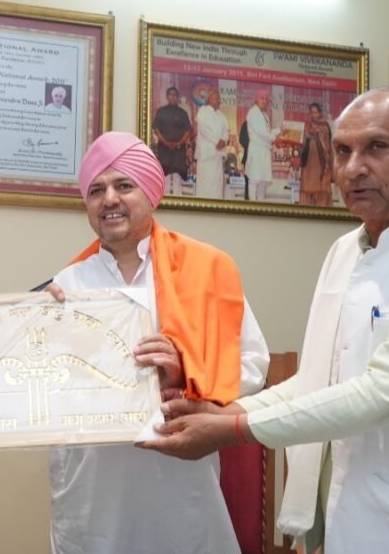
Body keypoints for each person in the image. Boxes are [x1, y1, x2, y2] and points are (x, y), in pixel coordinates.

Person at [139, 87, 389, 552]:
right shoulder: (346, 250)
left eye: (377, 147)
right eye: (343, 151)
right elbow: (321, 377)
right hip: (358, 511)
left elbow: (386, 390)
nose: (353, 168)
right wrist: (231, 412)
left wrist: (232, 429)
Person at [46, 131, 269, 554]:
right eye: (96, 190)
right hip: (92, 486)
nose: (109, 199)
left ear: (151, 193)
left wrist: (187, 374)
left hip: (178, 481)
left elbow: (253, 364)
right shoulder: (66, 285)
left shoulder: (207, 270)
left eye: (123, 185)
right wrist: (38, 330)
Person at [151, 87, 192, 194]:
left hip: (179, 151)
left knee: (178, 178)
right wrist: (165, 142)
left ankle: (177, 201)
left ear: (177, 97)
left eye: (175, 95)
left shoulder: (183, 113)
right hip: (164, 150)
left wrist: (179, 143)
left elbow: (187, 131)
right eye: (170, 94)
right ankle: (164, 200)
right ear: (167, 96)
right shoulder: (161, 111)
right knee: (164, 177)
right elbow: (156, 129)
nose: (172, 97)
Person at [195, 89, 231, 199]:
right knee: (205, 183)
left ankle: (216, 206)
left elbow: (227, 131)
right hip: (206, 154)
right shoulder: (203, 111)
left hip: (218, 155)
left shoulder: (221, 115)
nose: (218, 100)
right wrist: (217, 141)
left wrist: (224, 141)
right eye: (216, 98)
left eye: (219, 98)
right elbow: (203, 129)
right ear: (209, 99)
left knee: (217, 183)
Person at [244, 88, 280, 201]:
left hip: (265, 150)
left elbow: (267, 132)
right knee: (254, 179)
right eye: (262, 98)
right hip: (257, 149)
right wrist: (275, 138)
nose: (264, 101)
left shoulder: (264, 115)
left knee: (263, 181)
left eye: (266, 99)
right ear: (256, 100)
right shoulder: (253, 112)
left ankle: (261, 205)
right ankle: (252, 206)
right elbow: (261, 132)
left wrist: (279, 130)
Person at [298, 102, 334, 206]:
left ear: (320, 113)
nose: (313, 115)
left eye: (315, 112)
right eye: (311, 112)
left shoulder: (325, 126)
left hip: (321, 162)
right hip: (309, 161)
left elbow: (327, 144)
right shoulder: (307, 125)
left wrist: (316, 134)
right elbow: (302, 142)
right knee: (307, 186)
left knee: (321, 187)